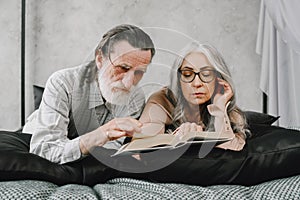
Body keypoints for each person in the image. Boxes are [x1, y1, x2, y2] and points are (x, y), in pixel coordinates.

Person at [23, 24, 155, 164]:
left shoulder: (136, 97)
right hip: (35, 138)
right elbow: (44, 151)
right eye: (123, 68)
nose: (129, 83)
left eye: (139, 72)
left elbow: (111, 150)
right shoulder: (62, 82)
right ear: (99, 59)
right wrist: (103, 133)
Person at [137, 42, 249, 151]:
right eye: (187, 75)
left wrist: (219, 109)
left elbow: (232, 149)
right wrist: (175, 138)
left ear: (218, 78)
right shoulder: (161, 100)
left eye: (206, 75)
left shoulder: (224, 103)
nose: (196, 84)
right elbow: (142, 148)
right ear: (178, 80)